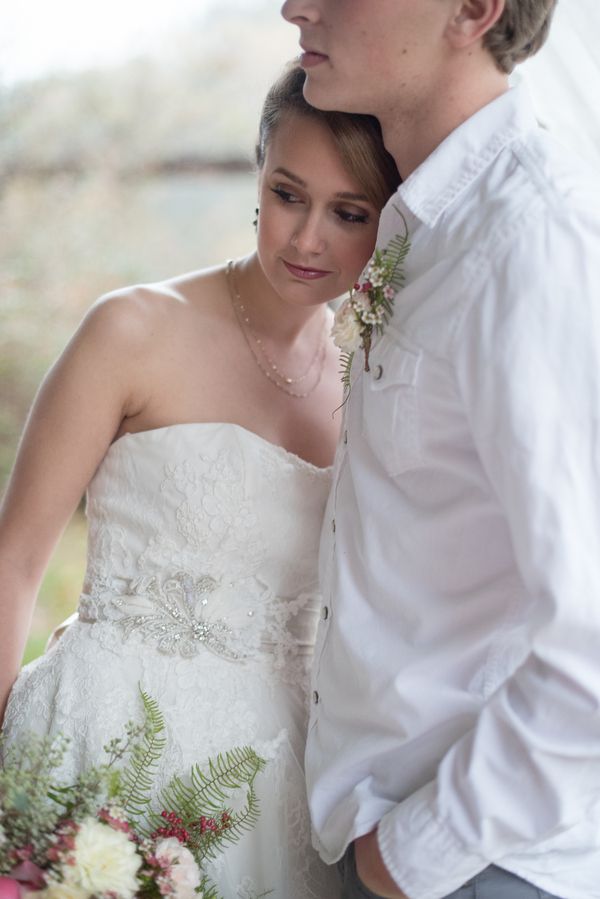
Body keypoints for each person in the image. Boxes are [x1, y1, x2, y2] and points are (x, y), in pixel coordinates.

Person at [0, 63, 400, 898]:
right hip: (96, 747)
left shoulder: (383, 385)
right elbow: (14, 561)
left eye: (349, 213)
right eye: (289, 194)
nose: (306, 239)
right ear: (259, 175)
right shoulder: (132, 329)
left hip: (273, 790)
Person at [281, 2, 600, 899]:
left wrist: (412, 856)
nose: (294, 6)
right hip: (384, 831)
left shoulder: (535, 240)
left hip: (483, 863)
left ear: (472, 9)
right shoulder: (419, 228)